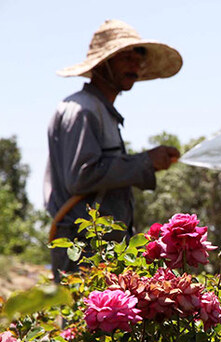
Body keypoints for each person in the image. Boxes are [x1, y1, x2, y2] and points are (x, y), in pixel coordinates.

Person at [44, 19, 182, 282]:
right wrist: (145, 162)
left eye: (138, 57)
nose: (134, 64)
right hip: (81, 246)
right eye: (124, 57)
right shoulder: (83, 109)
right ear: (103, 63)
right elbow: (82, 177)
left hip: (99, 248)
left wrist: (147, 162)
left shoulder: (98, 110)